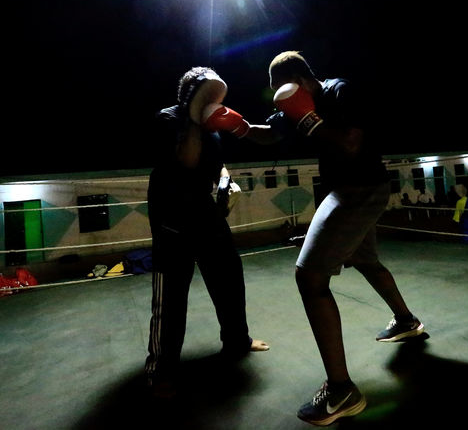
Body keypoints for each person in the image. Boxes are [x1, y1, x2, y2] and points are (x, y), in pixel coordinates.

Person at [225, 51, 425, 426]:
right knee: (366, 260)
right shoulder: (296, 105)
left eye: (281, 92)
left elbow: (350, 144)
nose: (279, 101)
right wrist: (237, 125)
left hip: (359, 189)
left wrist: (310, 118)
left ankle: (341, 390)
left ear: (298, 80)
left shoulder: (339, 92)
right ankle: (406, 320)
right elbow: (270, 134)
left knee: (310, 277)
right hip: (346, 190)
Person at [145, 67, 269, 399]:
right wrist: (194, 115)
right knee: (171, 296)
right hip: (171, 218)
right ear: (190, 95)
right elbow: (186, 160)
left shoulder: (213, 128)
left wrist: (227, 180)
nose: (214, 103)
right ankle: (161, 368)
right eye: (206, 95)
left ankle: (236, 340)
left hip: (205, 213)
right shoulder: (169, 120)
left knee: (229, 277)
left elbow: (217, 164)